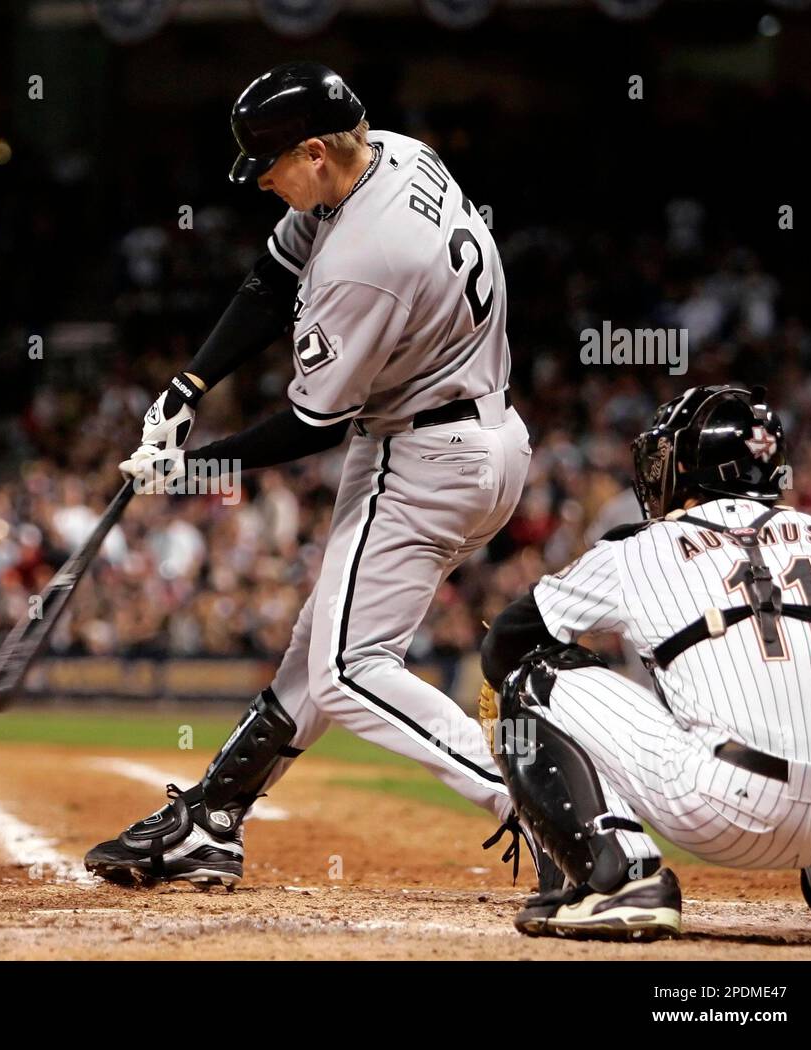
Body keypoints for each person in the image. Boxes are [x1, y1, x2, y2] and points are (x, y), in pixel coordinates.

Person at [86, 62, 542, 889]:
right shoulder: (396, 153)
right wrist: (190, 387)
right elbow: (271, 276)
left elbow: (313, 424)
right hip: (474, 433)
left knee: (348, 667)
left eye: (269, 165)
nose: (260, 182)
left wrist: (189, 471)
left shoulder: (367, 257)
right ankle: (213, 818)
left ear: (316, 155)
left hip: (425, 456)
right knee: (319, 646)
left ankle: (541, 803)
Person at [478, 385, 811, 940]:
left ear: (690, 468)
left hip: (726, 812)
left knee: (529, 677)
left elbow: (507, 642)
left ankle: (620, 878)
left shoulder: (640, 547)